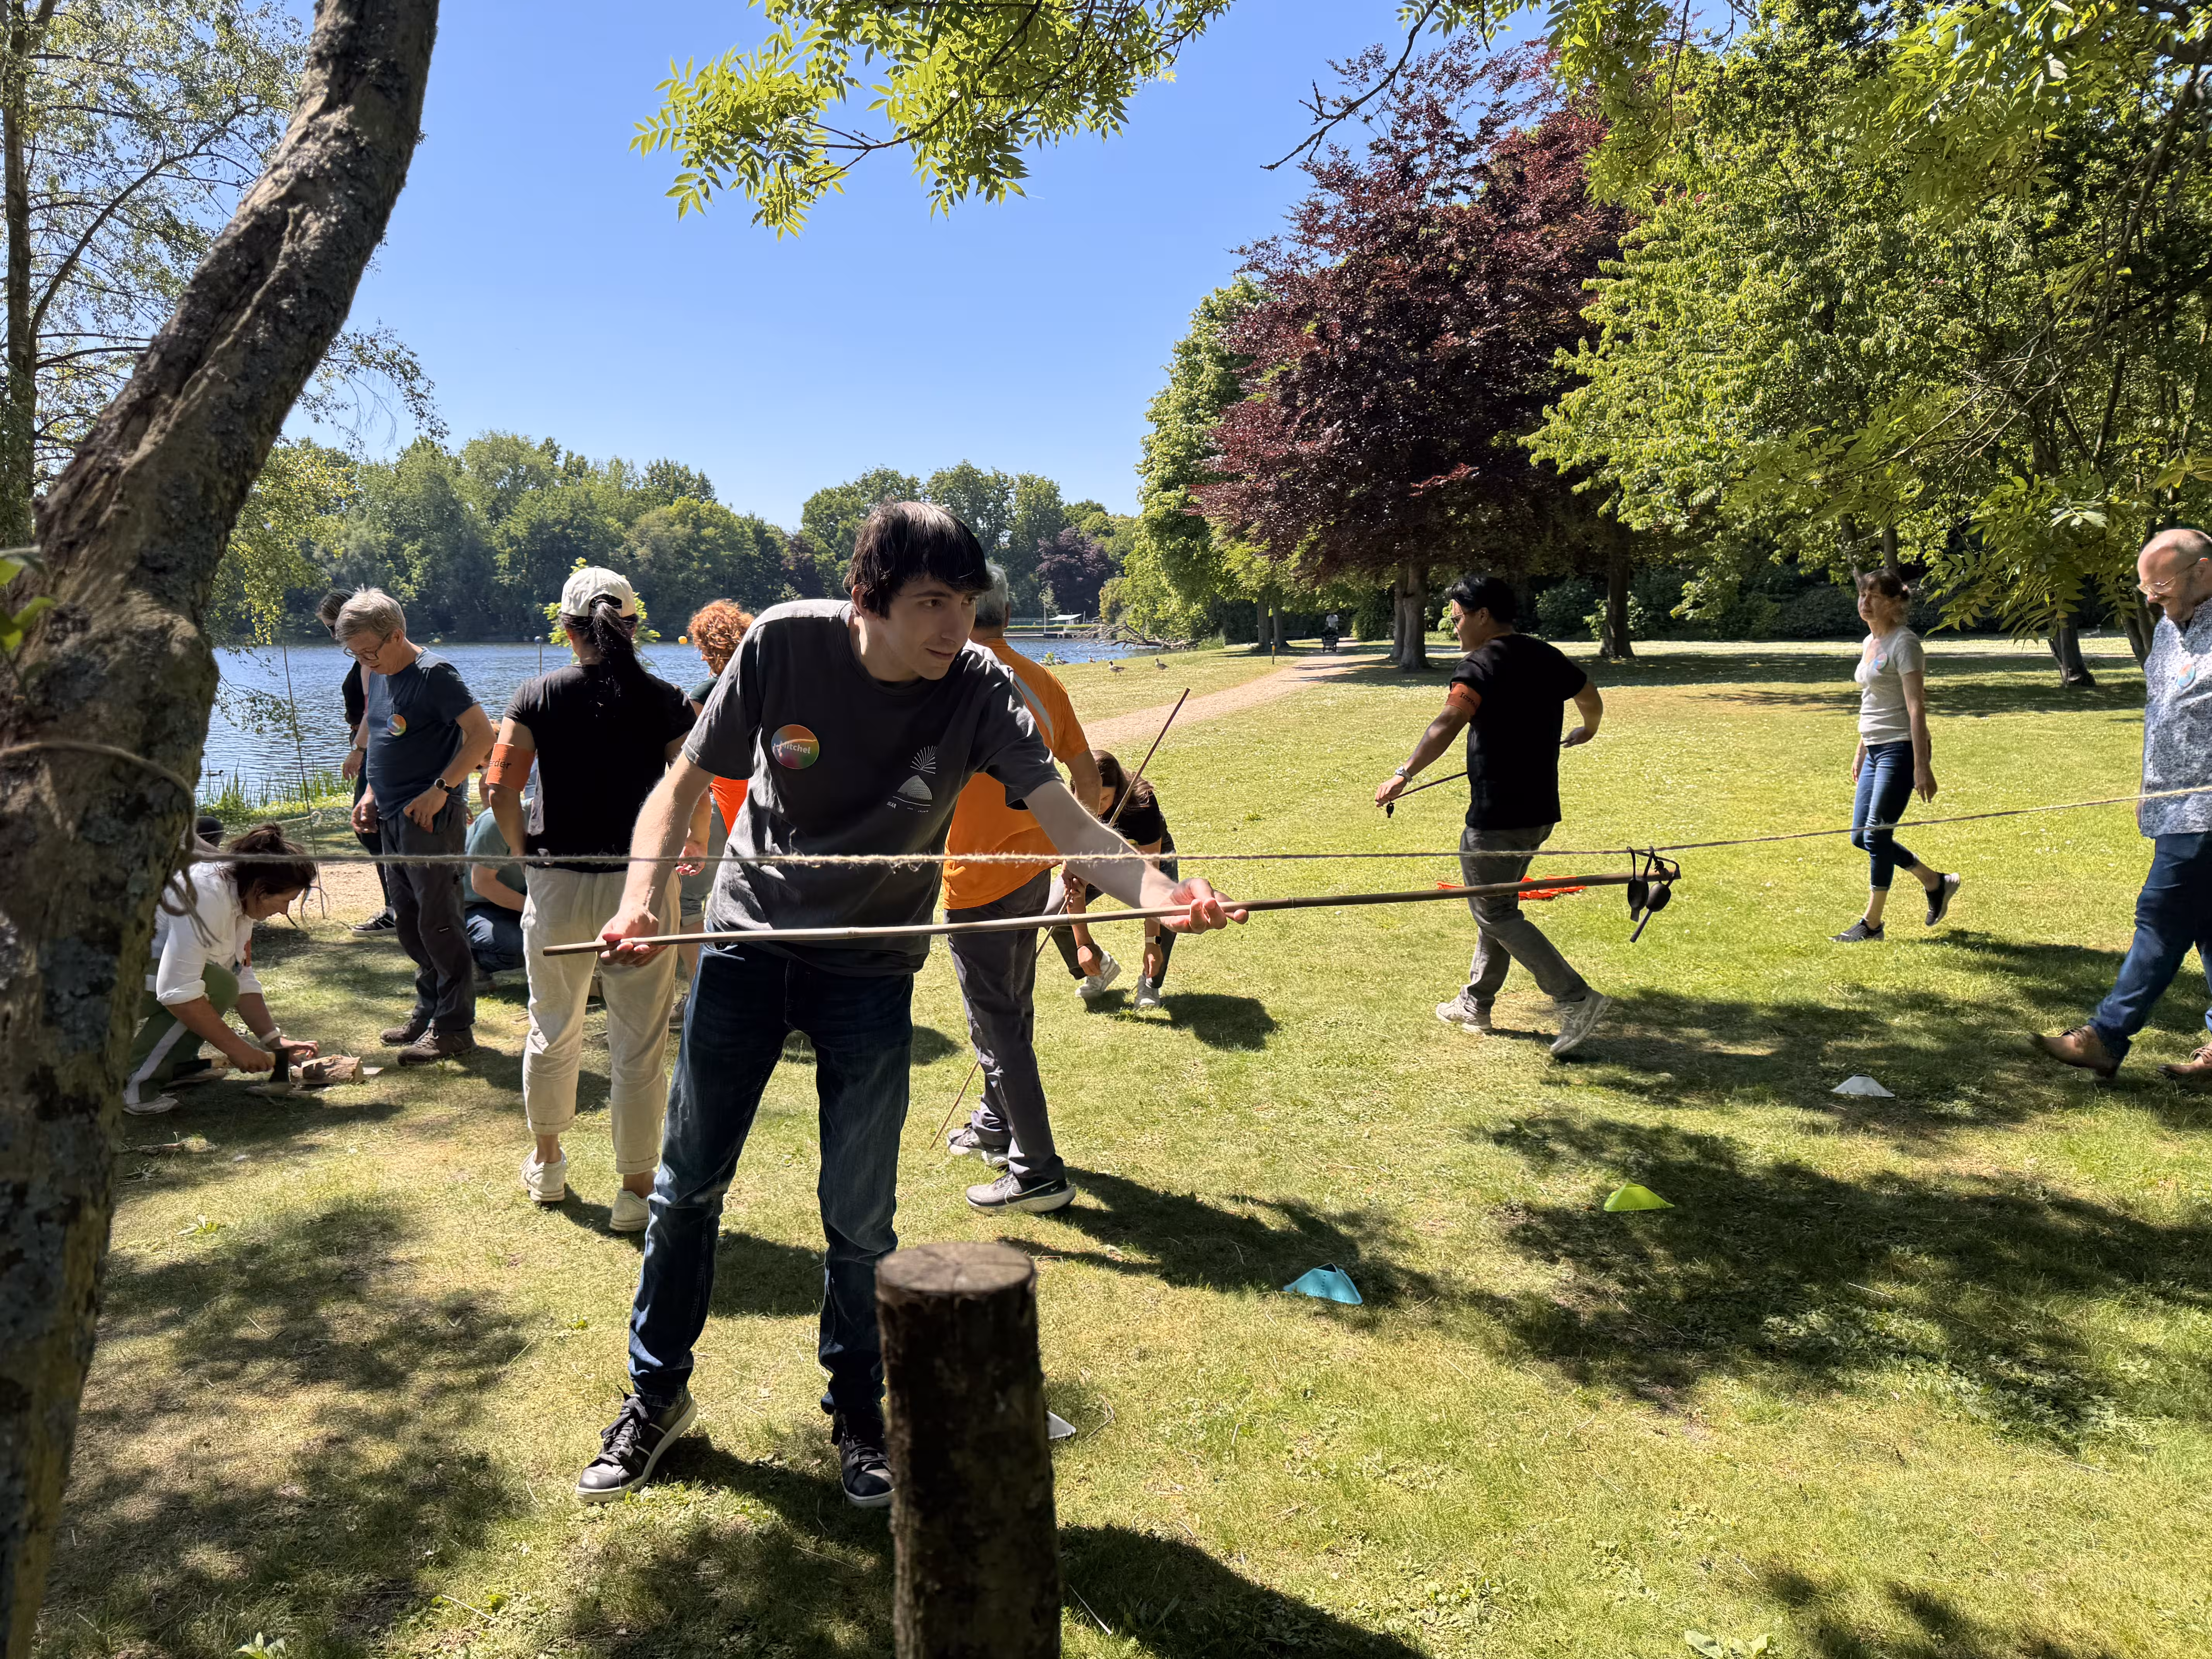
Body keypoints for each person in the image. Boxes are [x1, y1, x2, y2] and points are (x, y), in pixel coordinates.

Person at [573, 501, 1242, 1510]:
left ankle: (859, 1414)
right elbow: (678, 788)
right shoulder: (785, 646)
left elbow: (1070, 820)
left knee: (858, 1215)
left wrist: (1163, 894)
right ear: (867, 599)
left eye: (966, 603)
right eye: (932, 602)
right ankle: (656, 1398)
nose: (953, 627)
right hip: (748, 949)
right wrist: (636, 900)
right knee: (686, 1187)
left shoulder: (977, 686)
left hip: (874, 969)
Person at [489, 568, 697, 1232]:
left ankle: (548, 1161)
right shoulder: (666, 697)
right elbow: (690, 784)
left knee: (553, 1024)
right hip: (641, 886)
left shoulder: (535, 694)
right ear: (632, 624)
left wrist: (524, 857)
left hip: (558, 882)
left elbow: (498, 786)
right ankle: (636, 1189)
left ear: (567, 628)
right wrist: (691, 843)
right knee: (639, 1043)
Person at [1375, 574, 1611, 1056]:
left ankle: (1575, 998)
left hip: (1498, 815)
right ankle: (1476, 1002)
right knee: (1496, 907)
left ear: (1483, 615)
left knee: (1495, 911)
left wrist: (1404, 772)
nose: (1455, 627)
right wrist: (1588, 729)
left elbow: (1447, 723)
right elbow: (1589, 696)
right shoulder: (1545, 655)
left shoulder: (1479, 666)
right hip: (1540, 811)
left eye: (1458, 618)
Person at [941, 561, 1102, 1211]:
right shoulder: (1041, 680)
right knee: (1012, 1006)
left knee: (997, 1021)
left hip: (978, 880)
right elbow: (1086, 776)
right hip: (1032, 872)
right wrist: (1076, 860)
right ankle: (993, 1122)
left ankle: (1036, 1169)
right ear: (1006, 614)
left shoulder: (951, 683)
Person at [2036, 527, 2212, 1085]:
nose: (2151, 598)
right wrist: (2146, 786)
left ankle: (2105, 1037)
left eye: (2160, 585)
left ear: (2204, 571)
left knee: (2160, 918)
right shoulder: (2167, 629)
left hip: (2206, 810)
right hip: (2172, 803)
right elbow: (2160, 710)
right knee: (2208, 925)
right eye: (2145, 588)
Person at [340, 588, 496, 1064]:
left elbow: (483, 734)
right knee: (408, 922)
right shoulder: (381, 673)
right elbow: (377, 726)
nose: (366, 661)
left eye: (370, 651)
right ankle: (427, 1011)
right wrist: (368, 791)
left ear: (397, 634)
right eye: (356, 654)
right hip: (389, 816)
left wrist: (442, 789)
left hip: (430, 817)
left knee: (440, 921)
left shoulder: (436, 675)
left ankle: (454, 1029)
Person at [123, 825, 321, 1115]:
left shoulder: (242, 893)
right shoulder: (206, 893)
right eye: (285, 901)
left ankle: (175, 1066)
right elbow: (177, 991)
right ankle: (132, 1084)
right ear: (261, 889)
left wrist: (274, 1041)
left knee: (221, 982)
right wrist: (238, 1049)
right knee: (213, 986)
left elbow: (242, 975)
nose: (284, 912)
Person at [1831, 570, 1960, 942]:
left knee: (1876, 834)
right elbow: (1871, 702)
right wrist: (1861, 749)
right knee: (1862, 836)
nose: (1864, 603)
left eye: (1873, 596)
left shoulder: (1905, 644)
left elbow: (1916, 708)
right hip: (1874, 749)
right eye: (1862, 595)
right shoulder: (1870, 642)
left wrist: (1923, 765)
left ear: (1894, 603)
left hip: (1900, 750)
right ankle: (1934, 881)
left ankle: (1872, 925)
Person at [678, 601, 755, 1020]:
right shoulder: (767, 679)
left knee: (690, 901)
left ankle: (698, 993)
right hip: (763, 809)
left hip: (723, 809)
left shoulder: (704, 695)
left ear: (706, 647)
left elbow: (693, 765)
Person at [1054, 749, 1175, 1010]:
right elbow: (1073, 882)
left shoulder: (1142, 804)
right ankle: (1099, 968)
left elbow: (1150, 880)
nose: (1096, 808)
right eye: (1088, 800)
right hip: (1102, 858)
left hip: (1149, 857)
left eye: (1105, 799)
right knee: (1054, 912)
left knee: (1169, 914)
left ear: (1118, 791)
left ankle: (1151, 982)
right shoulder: (1070, 810)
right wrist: (1083, 943)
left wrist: (1151, 943)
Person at [318, 588, 397, 934]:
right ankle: (399, 905)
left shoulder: (371, 662)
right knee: (374, 828)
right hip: (372, 743)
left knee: (369, 828)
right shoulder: (365, 660)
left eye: (331, 627)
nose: (333, 636)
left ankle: (396, 909)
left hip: (374, 746)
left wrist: (359, 750)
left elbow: (374, 708)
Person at [464, 775, 526, 982]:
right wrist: (540, 911)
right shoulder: (497, 821)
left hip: (521, 897)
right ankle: (468, 957)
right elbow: (482, 884)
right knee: (518, 946)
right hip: (475, 904)